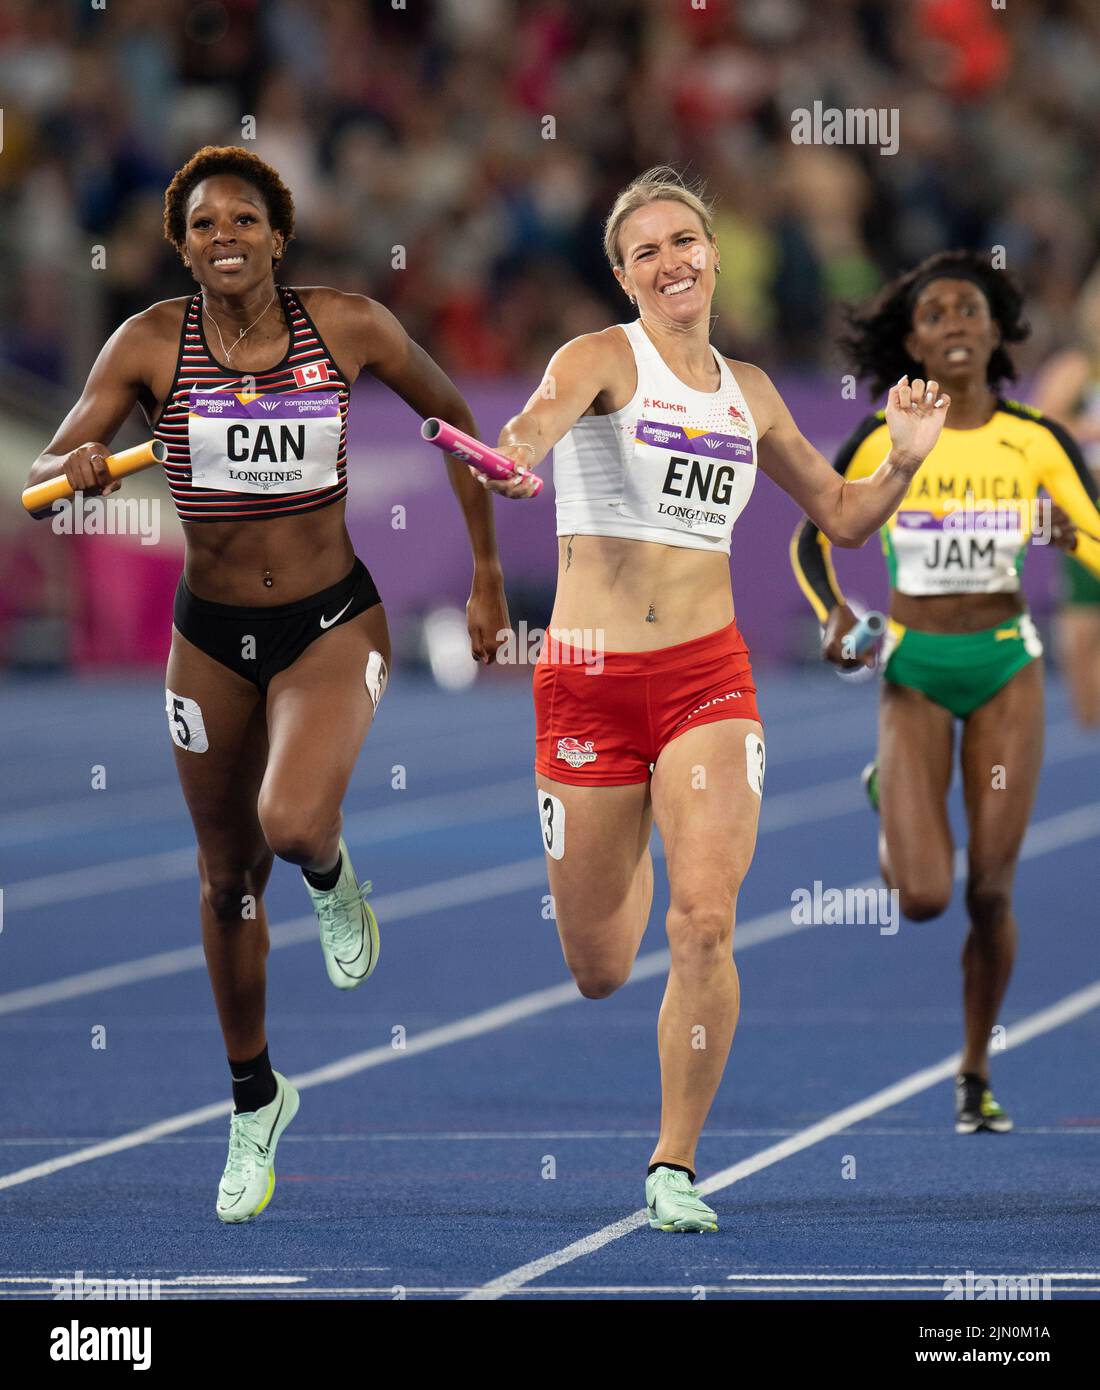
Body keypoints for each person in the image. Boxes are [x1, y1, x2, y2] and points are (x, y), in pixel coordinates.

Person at [23, 145, 508, 1223]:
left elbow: (457, 422)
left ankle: (334, 877)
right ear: (181, 244)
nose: (225, 237)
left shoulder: (349, 325)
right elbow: (51, 474)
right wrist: (80, 468)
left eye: (244, 219)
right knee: (222, 876)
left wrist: (482, 575)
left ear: (277, 236)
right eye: (204, 225)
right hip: (209, 638)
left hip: (330, 618)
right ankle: (256, 1099)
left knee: (289, 825)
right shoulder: (149, 342)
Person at [472, 167, 949, 1231]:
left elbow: (840, 513)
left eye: (682, 239)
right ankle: (631, 827)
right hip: (588, 688)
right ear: (622, 274)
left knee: (702, 922)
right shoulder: (597, 357)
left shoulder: (752, 391)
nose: (669, 259)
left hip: (706, 683)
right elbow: (531, 426)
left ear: (714, 250)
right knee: (597, 966)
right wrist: (511, 459)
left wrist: (905, 461)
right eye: (644, 249)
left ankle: (671, 1167)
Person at [791, 250, 1100, 1133]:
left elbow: (1095, 543)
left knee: (991, 894)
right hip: (914, 669)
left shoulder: (1038, 438)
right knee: (924, 897)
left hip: (1005, 664)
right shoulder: (887, 434)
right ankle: (890, 795)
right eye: (936, 315)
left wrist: (1063, 532)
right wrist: (831, 614)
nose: (956, 322)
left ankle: (974, 1070)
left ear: (999, 330)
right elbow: (817, 538)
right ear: (912, 343)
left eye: (971, 309)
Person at [1032, 264, 1100, 728]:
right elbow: (1040, 431)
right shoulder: (1078, 368)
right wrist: (1090, 429)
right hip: (1088, 518)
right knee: (1081, 638)